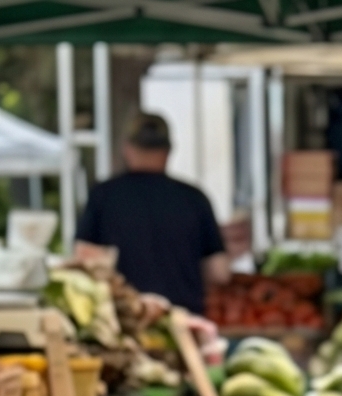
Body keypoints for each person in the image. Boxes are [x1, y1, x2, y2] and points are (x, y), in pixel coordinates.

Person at [75, 113, 230, 313]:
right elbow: (219, 273)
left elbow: (83, 259)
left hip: (125, 321)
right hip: (184, 324)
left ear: (127, 149)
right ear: (168, 151)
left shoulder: (103, 196)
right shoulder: (194, 199)